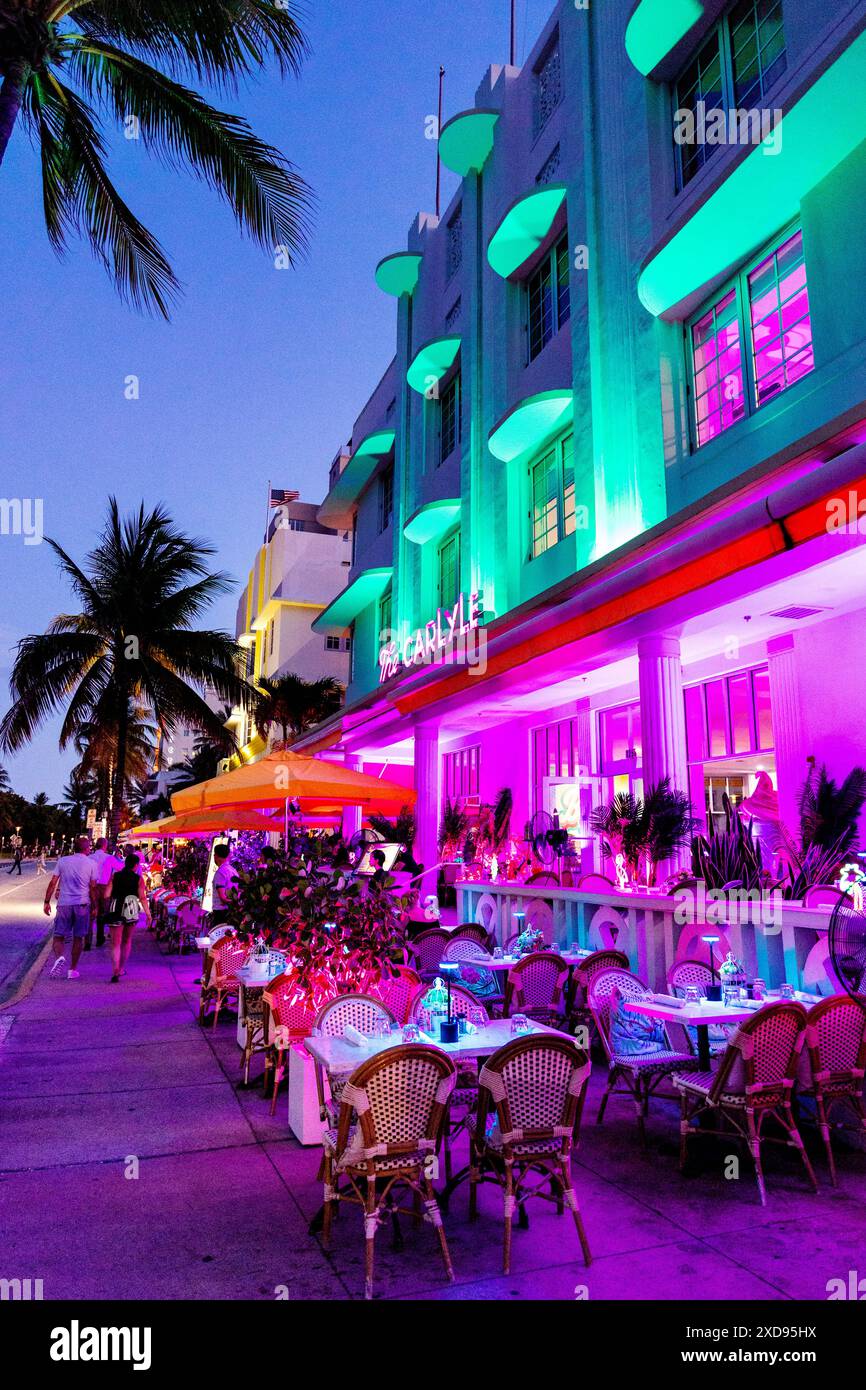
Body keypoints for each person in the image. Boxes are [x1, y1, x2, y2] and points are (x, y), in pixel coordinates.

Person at [43, 836, 101, 979]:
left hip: (64, 904)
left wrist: (46, 901)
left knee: (58, 937)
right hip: (82, 905)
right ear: (87, 849)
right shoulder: (92, 864)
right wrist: (95, 906)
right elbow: (93, 888)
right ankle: (72, 970)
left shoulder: (63, 861)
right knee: (78, 938)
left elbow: (52, 883)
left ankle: (59, 958)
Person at [103, 851, 151, 983]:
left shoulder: (115, 876)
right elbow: (142, 897)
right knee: (126, 941)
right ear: (136, 865)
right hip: (130, 909)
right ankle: (121, 968)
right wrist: (148, 914)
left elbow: (106, 894)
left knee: (115, 943)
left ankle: (115, 970)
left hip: (116, 908)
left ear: (125, 864)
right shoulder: (138, 879)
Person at [88, 837, 124, 949]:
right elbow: (121, 868)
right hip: (104, 887)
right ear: (105, 846)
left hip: (92, 887)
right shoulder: (109, 858)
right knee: (102, 913)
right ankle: (99, 938)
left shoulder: (89, 857)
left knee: (91, 913)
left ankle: (87, 942)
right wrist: (118, 858)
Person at [210, 843, 238, 926]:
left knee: (219, 937)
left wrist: (231, 903)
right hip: (232, 911)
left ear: (215, 856)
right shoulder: (233, 870)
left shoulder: (220, 873)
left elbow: (222, 897)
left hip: (221, 912)